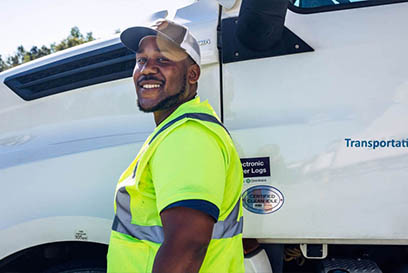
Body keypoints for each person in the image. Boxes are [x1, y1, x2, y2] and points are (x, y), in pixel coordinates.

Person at [107, 19, 244, 273]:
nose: (147, 69)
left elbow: (188, 243)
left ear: (192, 74)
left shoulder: (188, 136)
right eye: (141, 60)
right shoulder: (175, 130)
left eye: (163, 60)